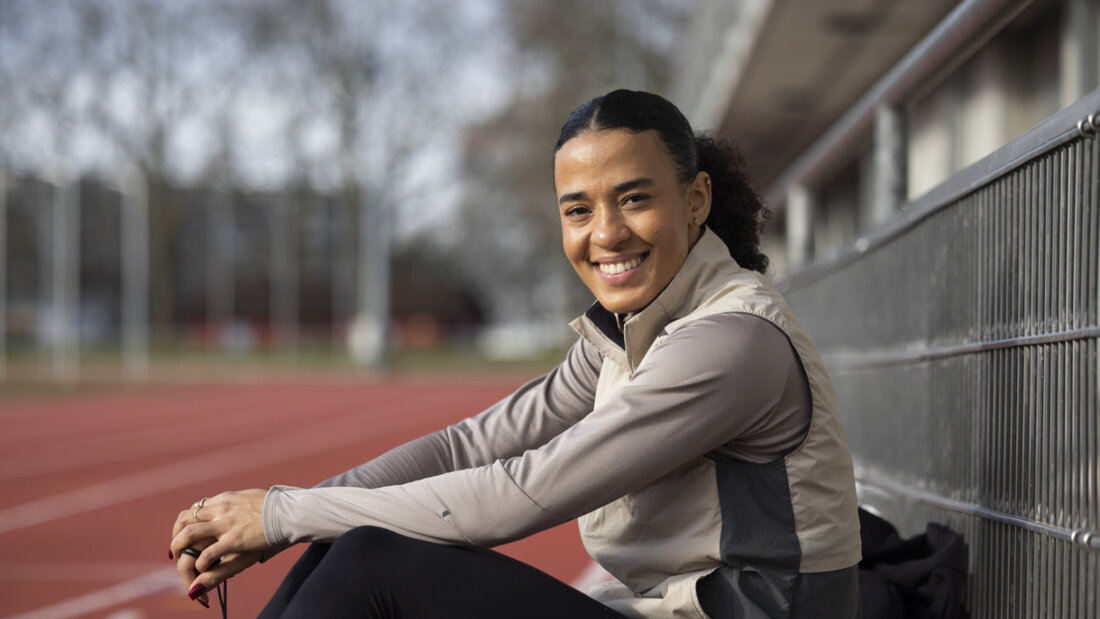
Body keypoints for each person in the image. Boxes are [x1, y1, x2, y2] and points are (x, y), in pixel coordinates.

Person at [170, 89, 862, 618]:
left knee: (371, 559)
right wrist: (295, 511)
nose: (607, 233)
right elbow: (467, 446)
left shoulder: (729, 340)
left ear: (695, 199)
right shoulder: (635, 327)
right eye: (579, 209)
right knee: (346, 529)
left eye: (633, 198)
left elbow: (514, 496)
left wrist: (280, 514)